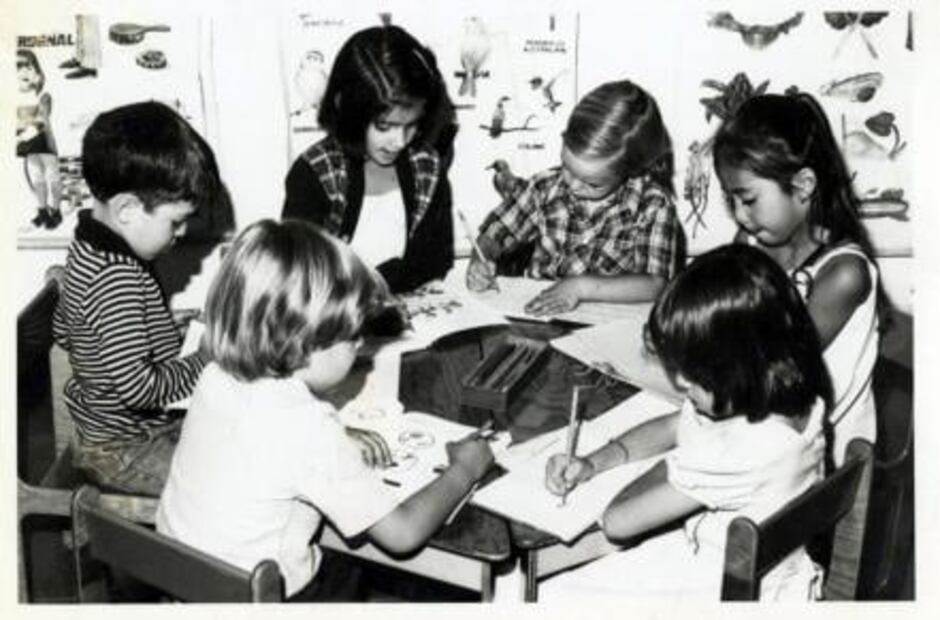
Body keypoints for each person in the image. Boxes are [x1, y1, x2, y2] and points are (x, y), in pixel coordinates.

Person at [156, 219, 495, 601]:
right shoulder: (308, 427)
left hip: (178, 585)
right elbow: (402, 535)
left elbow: (260, 439)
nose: (361, 345)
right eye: (354, 337)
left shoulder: (216, 376)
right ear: (304, 342)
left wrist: (339, 436)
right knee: (364, 574)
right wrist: (465, 469)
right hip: (261, 597)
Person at [534, 244, 833, 601]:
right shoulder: (796, 401)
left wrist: (671, 466)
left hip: (726, 588)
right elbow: (673, 427)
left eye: (694, 375)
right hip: (746, 564)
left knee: (541, 593)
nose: (679, 384)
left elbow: (618, 521)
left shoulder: (743, 451)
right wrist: (593, 463)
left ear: (744, 364)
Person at [52, 101, 222, 496]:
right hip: (125, 449)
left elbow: (64, 330)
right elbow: (141, 390)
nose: (179, 234)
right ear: (127, 210)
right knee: (222, 484)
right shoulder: (116, 277)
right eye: (175, 222)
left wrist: (163, 328)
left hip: (122, 433)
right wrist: (204, 359)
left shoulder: (90, 247)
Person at [713, 91, 884, 465]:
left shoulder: (845, 274)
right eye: (732, 200)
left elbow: (780, 362)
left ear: (804, 186)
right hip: (757, 419)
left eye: (749, 199)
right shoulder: (753, 242)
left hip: (817, 457)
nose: (740, 216)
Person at [466, 80, 685, 315]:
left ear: (632, 170)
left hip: (607, 327)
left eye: (592, 183)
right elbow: (496, 232)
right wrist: (480, 259)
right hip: (539, 315)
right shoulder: (545, 186)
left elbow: (655, 284)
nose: (572, 184)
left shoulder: (653, 205)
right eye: (567, 167)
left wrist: (579, 287)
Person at [283, 24, 457, 294]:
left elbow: (435, 261)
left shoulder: (427, 167)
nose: (400, 141)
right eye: (384, 126)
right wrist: (377, 281)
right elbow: (300, 275)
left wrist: (392, 281)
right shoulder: (315, 172)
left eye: (411, 125)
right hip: (335, 323)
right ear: (349, 110)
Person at [16, 48, 62, 229]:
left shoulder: (45, 91)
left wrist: (23, 136)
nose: (23, 71)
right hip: (28, 145)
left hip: (44, 142)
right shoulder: (15, 92)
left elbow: (41, 120)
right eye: (18, 67)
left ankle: (56, 212)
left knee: (53, 178)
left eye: (27, 66)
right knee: (36, 178)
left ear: (36, 68)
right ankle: (42, 211)